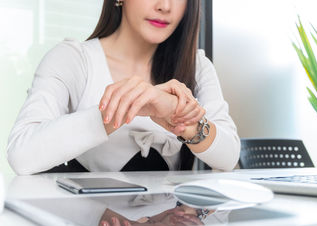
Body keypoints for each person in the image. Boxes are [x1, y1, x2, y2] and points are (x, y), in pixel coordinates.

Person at [7, 0, 240, 175]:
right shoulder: (73, 59)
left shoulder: (197, 66)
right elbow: (21, 155)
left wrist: (180, 117)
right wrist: (120, 110)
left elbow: (229, 156)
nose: (165, 6)